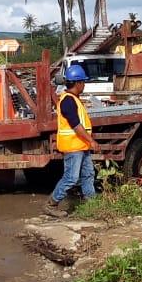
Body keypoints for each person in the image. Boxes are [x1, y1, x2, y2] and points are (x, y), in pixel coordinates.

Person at [45, 64, 99, 218]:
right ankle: (51, 204)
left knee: (88, 174)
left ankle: (92, 204)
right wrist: (92, 141)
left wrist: (88, 142)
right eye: (83, 82)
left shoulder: (73, 99)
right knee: (71, 178)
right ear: (78, 83)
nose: (84, 85)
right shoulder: (68, 101)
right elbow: (76, 125)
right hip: (74, 146)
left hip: (81, 145)